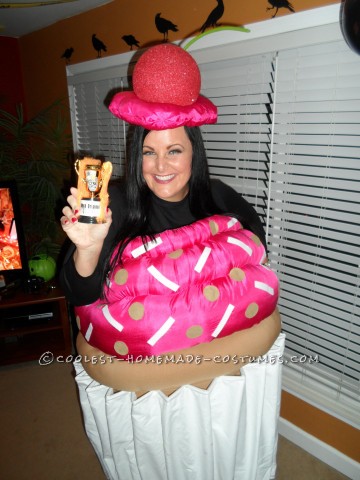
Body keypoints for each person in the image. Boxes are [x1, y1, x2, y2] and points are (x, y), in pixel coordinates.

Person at [60, 43, 282, 477]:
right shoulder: (117, 202)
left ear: (193, 152)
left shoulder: (217, 198)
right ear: (135, 153)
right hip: (146, 379)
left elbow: (257, 252)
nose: (160, 165)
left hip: (222, 372)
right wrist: (88, 247)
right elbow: (80, 293)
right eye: (148, 151)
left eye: (173, 151)